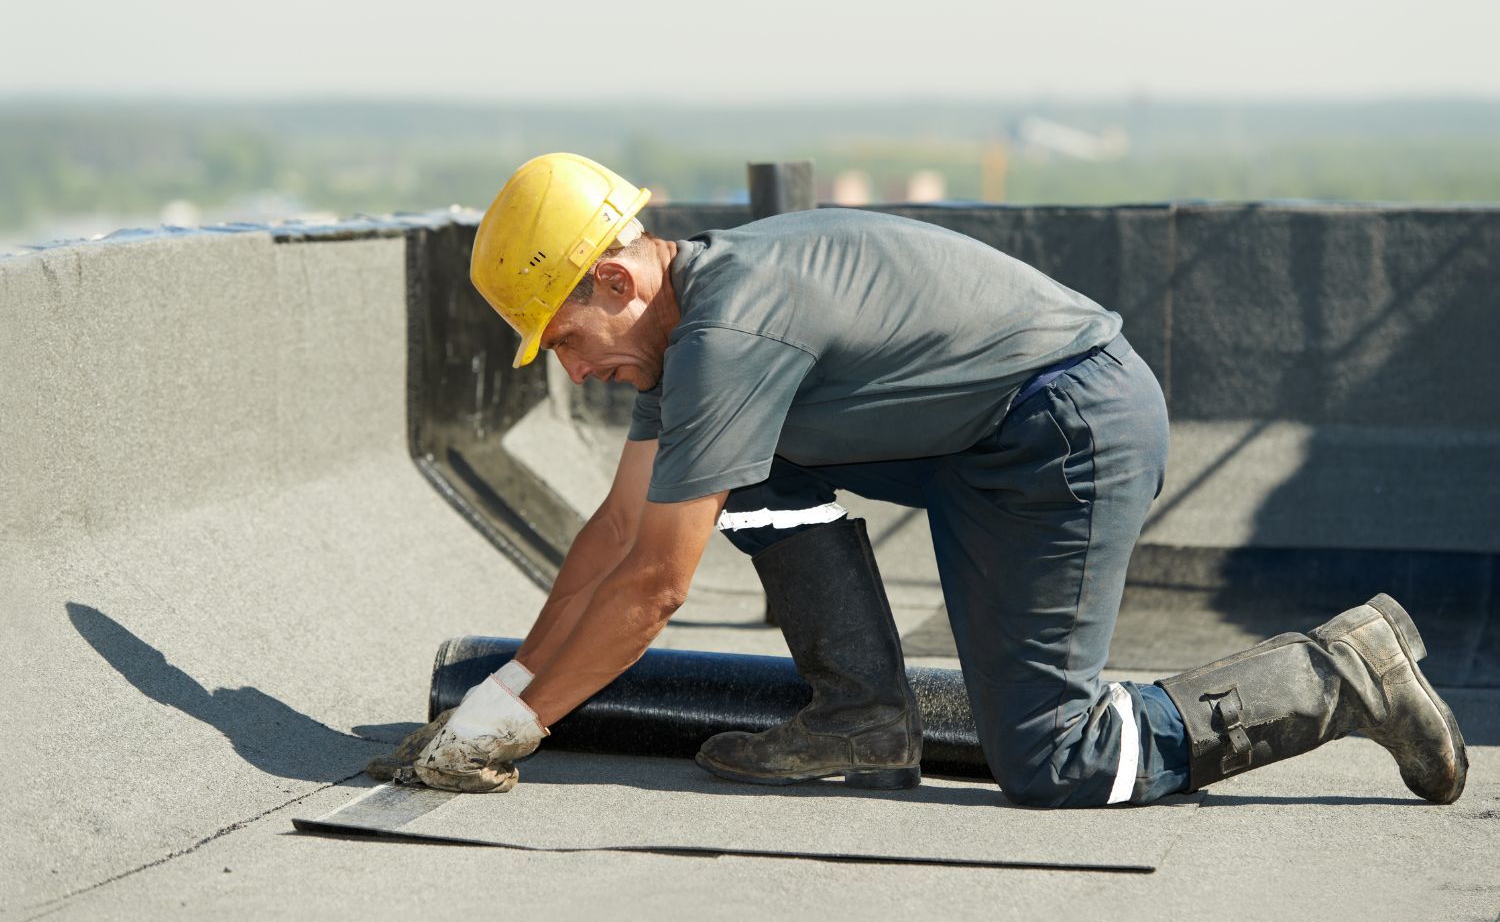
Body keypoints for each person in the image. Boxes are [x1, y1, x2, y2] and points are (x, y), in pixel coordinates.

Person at [374, 152, 1467, 808]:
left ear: (616, 274)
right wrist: (499, 694)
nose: (575, 371)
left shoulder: (729, 329)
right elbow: (616, 537)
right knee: (732, 470)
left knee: (1055, 759)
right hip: (986, 437)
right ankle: (863, 714)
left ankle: (1335, 677)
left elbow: (654, 589)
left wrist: (514, 729)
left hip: (1066, 431)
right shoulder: (684, 336)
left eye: (568, 339)